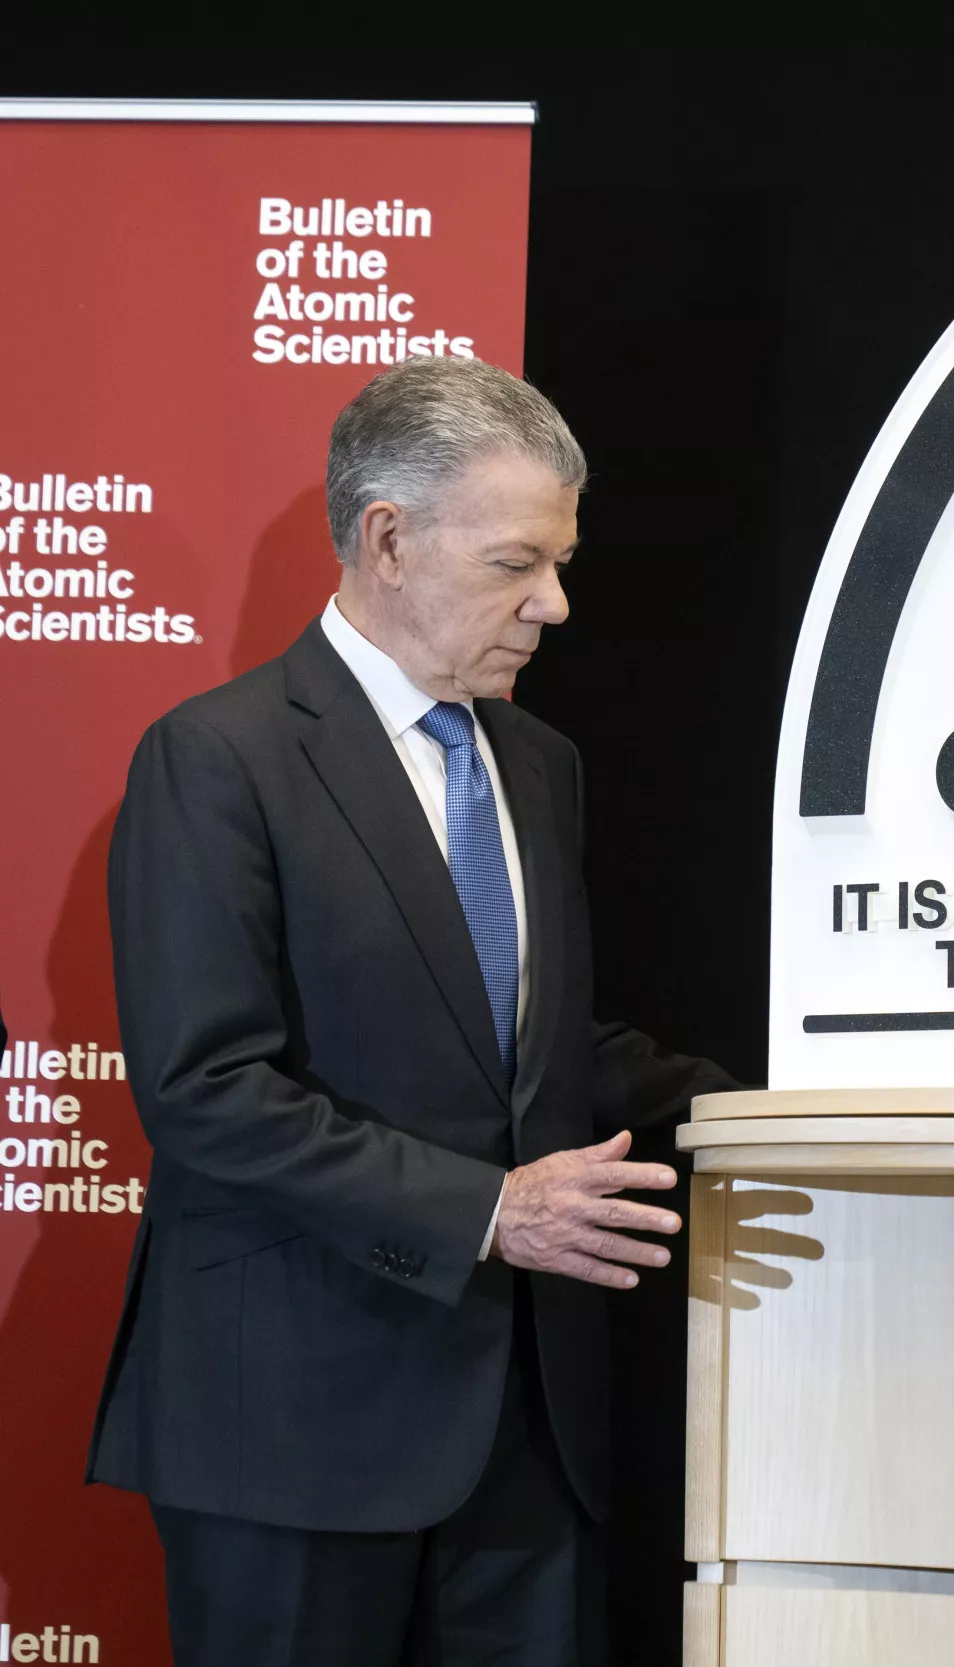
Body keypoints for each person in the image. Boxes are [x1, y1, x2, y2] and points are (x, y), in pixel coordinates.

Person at [89, 356, 740, 1666]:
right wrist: (492, 1211)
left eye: (559, 562)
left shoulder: (540, 764)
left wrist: (774, 1115)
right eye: (515, 563)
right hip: (293, 1431)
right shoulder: (215, 758)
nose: (554, 603)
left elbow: (535, 1048)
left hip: (528, 1441)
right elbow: (208, 1088)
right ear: (388, 540)